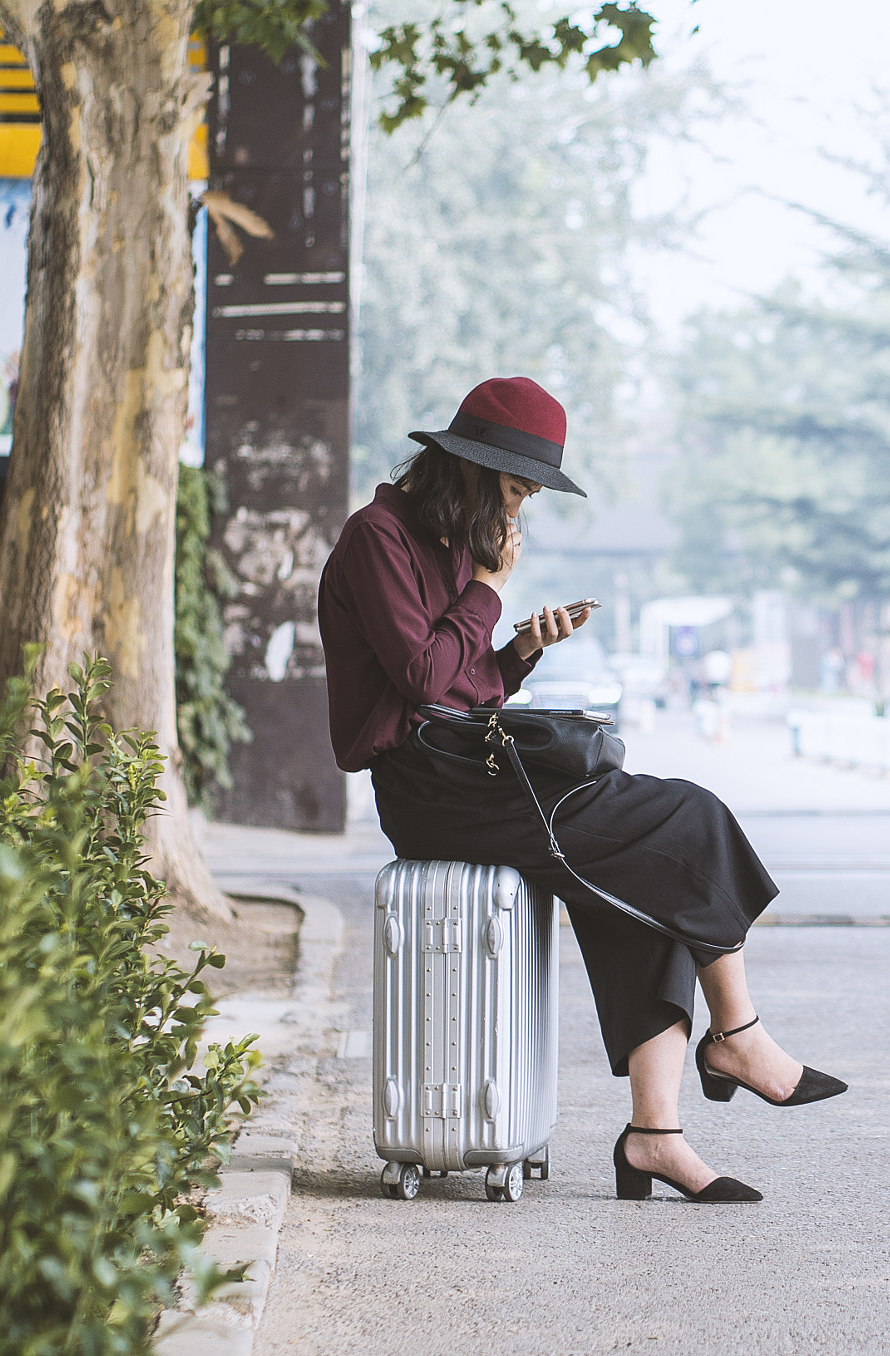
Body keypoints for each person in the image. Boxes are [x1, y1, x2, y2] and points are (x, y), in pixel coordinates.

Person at [318, 377, 844, 1205]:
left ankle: (654, 1136)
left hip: (468, 771)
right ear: (472, 467)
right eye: (519, 488)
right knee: (690, 816)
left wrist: (518, 649)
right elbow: (421, 681)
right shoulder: (376, 539)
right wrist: (489, 591)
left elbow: (463, 689)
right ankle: (737, 1038)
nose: (522, 511)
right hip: (431, 791)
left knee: (647, 885)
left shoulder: (453, 543)